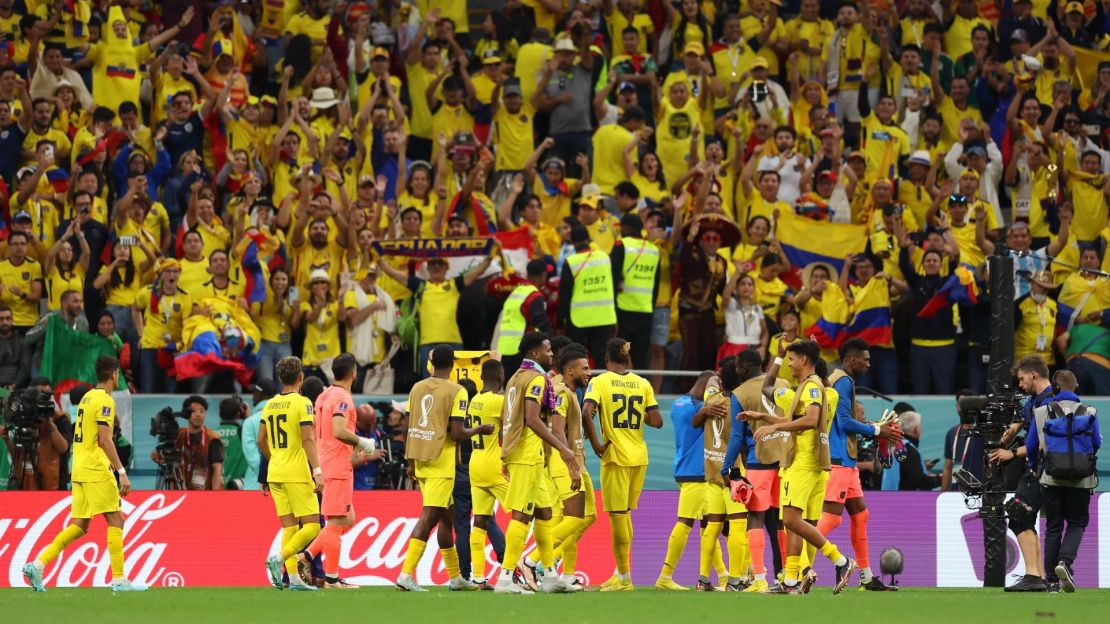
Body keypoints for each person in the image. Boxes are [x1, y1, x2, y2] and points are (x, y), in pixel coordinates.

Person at [739, 339, 856, 594]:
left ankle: (841, 561)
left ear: (804, 359)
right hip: (815, 463)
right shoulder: (817, 388)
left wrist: (775, 426)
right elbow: (799, 417)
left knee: (790, 519)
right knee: (796, 522)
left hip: (801, 462)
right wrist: (762, 417)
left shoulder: (811, 387)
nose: (789, 364)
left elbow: (811, 419)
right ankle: (791, 580)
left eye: (791, 359)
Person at [22, 356, 147, 592]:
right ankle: (119, 579)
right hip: (95, 467)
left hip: (78, 468)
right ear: (114, 374)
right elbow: (106, 441)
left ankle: (38, 565)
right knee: (116, 520)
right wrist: (122, 472)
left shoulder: (88, 397)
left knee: (79, 525)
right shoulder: (105, 401)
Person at [395, 344, 490, 592]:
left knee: (446, 518)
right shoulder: (457, 391)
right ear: (453, 364)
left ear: (432, 363)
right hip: (440, 462)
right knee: (429, 518)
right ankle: (406, 574)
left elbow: (407, 427)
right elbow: (457, 433)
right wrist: (480, 429)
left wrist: (410, 462)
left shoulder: (416, 388)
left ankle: (455, 577)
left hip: (420, 459)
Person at [493, 332, 581, 594]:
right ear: (534, 353)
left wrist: (506, 453)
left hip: (524, 454)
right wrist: (562, 448)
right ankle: (505, 578)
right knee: (521, 516)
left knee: (545, 513)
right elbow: (532, 418)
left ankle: (551, 576)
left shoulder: (515, 378)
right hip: (528, 456)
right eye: (547, 349)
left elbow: (506, 418)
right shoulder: (536, 379)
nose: (551, 353)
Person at [819, 339, 901, 589]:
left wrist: (871, 427)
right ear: (851, 359)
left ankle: (865, 577)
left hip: (845, 459)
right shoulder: (843, 381)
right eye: (865, 359)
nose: (868, 364)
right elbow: (844, 422)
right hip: (838, 459)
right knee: (831, 520)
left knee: (860, 515)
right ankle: (797, 567)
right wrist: (877, 430)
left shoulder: (835, 378)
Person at [583, 337, 663, 592]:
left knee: (617, 517)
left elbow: (586, 412)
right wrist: (637, 412)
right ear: (627, 359)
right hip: (639, 456)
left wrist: (595, 443)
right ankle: (621, 573)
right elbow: (657, 420)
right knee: (625, 514)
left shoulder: (599, 381)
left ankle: (625, 578)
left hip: (615, 456)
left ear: (606, 360)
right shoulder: (643, 383)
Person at [519, 342, 598, 590]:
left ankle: (549, 566)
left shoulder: (568, 391)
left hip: (572, 459)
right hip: (565, 461)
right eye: (585, 368)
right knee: (575, 518)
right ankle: (532, 562)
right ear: (571, 370)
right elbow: (556, 429)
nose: (589, 372)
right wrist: (571, 463)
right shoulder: (562, 392)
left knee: (585, 516)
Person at [300, 353, 379, 589]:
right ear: (354, 373)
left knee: (348, 518)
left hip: (328, 462)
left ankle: (306, 556)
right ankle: (332, 578)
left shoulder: (324, 395)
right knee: (335, 522)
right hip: (337, 465)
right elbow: (338, 430)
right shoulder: (343, 398)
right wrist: (363, 442)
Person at [990, 355, 1058, 592]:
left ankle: (1033, 576)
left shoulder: (1050, 402)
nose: (1019, 385)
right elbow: (1021, 421)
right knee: (1025, 518)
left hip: (1042, 470)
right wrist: (1006, 434)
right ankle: (1037, 577)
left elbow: (1044, 441)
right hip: (1039, 471)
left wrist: (1011, 453)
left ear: (1034, 375)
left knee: (1019, 516)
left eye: (1021, 379)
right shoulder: (1035, 401)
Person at [1026, 370, 1098, 593]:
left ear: (1055, 388)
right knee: (1077, 523)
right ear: (1076, 388)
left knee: (1053, 526)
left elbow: (1030, 446)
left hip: (1051, 478)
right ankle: (1064, 563)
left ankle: (1052, 581)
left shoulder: (1041, 413)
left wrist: (1035, 467)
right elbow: (1096, 443)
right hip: (1082, 480)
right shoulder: (1089, 411)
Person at [261, 356, 323, 591]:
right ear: (300, 377)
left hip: (275, 472)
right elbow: (308, 438)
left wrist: (274, 459)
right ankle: (279, 558)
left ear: (280, 378)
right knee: (313, 526)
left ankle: (295, 579)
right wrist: (317, 470)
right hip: (296, 472)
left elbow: (261, 439)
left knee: (290, 528)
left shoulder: (270, 404)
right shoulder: (303, 402)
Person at [656, 369, 717, 590]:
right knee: (686, 523)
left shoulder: (678, 404)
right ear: (707, 384)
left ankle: (721, 575)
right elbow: (696, 418)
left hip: (686, 469)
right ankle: (665, 576)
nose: (715, 392)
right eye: (714, 387)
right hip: (696, 472)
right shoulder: (697, 408)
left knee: (709, 525)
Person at [698, 360, 750, 592]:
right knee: (739, 527)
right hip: (734, 475)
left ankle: (702, 579)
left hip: (711, 473)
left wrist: (717, 381)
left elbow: (709, 381)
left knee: (712, 529)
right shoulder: (740, 406)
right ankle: (735, 580)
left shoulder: (711, 400)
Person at [466, 359, 510, 589]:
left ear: (481, 377)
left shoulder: (475, 400)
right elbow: (511, 428)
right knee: (524, 514)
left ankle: (478, 577)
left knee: (480, 520)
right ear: (501, 376)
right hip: (496, 467)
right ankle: (513, 570)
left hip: (476, 464)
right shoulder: (499, 401)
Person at [559, 224, 617, 366]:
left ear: (572, 241)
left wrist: (560, 321)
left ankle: (581, 388)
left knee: (578, 359)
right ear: (588, 238)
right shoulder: (604, 257)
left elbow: (564, 295)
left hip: (579, 319)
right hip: (604, 317)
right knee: (603, 360)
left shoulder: (571, 262)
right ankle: (602, 388)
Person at [611, 213, 661, 370]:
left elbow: (613, 276)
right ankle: (642, 389)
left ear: (626, 228)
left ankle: (621, 390)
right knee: (641, 356)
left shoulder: (622, 244)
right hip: (645, 309)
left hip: (623, 307)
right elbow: (656, 284)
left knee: (621, 353)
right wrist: (651, 306)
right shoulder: (654, 250)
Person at [495, 259, 553, 373]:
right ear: (542, 275)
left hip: (504, 349)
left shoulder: (516, 292)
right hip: (521, 351)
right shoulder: (534, 296)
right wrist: (554, 345)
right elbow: (542, 325)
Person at [170, 395, 225, 491]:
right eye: (194, 411)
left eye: (202, 411)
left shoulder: (212, 438)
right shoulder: (179, 435)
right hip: (182, 494)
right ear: (185, 414)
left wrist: (216, 496)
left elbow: (217, 469)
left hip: (205, 496)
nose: (198, 414)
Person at [243, 378, 277, 491]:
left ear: (260, 394)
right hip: (283, 483)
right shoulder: (282, 417)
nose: (252, 395)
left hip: (255, 485)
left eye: (254, 392)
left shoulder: (249, 422)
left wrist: (266, 477)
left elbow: (252, 457)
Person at [217, 396, 247, 490]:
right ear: (239, 414)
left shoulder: (211, 434)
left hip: (216, 488)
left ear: (219, 413)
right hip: (237, 488)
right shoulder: (244, 434)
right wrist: (247, 417)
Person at [0, 305, 30, 389]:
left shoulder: (22, 342)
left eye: (8, 318)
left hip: (14, 388)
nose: (5, 322)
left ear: (12, 320)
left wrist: (13, 385)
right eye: (1, 319)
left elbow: (25, 367)